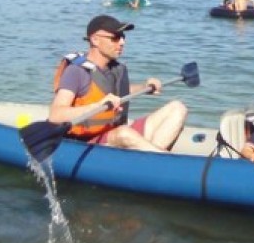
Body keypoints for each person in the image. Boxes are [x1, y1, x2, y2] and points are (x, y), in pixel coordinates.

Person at [47, 15, 188, 152]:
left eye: (123, 37)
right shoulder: (76, 72)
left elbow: (120, 92)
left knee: (178, 108)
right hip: (85, 143)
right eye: (115, 38)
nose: (122, 42)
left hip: (113, 134)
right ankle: (159, 160)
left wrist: (145, 87)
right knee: (124, 133)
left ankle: (149, 159)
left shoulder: (115, 69)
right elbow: (56, 114)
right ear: (95, 40)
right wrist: (96, 106)